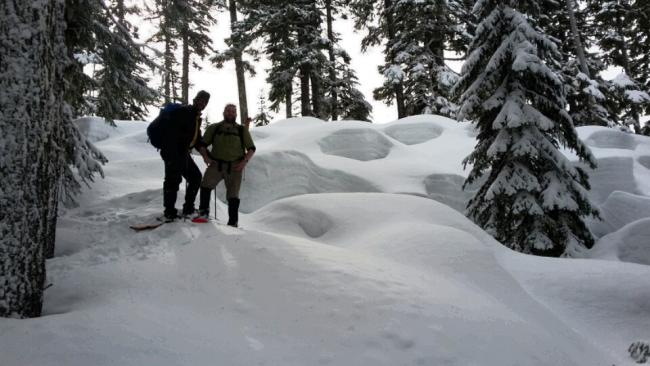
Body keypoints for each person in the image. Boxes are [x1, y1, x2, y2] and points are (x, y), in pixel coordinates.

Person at [197, 104, 256, 227]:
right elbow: (202, 144)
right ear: (224, 112)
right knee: (205, 186)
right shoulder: (214, 127)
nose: (230, 113)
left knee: (233, 195)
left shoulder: (241, 130)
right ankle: (203, 214)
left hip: (235, 167)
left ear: (236, 114)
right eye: (228, 111)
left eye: (233, 111)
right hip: (216, 165)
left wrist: (244, 163)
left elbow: (251, 148)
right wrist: (205, 157)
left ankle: (233, 222)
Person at [159, 91, 213, 222]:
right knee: (173, 180)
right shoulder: (184, 112)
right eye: (200, 100)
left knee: (195, 177)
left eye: (204, 102)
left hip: (182, 153)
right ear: (195, 100)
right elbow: (173, 132)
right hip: (172, 152)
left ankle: (188, 208)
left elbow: (197, 140)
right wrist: (174, 152)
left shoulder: (195, 118)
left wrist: (207, 155)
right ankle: (169, 212)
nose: (202, 103)